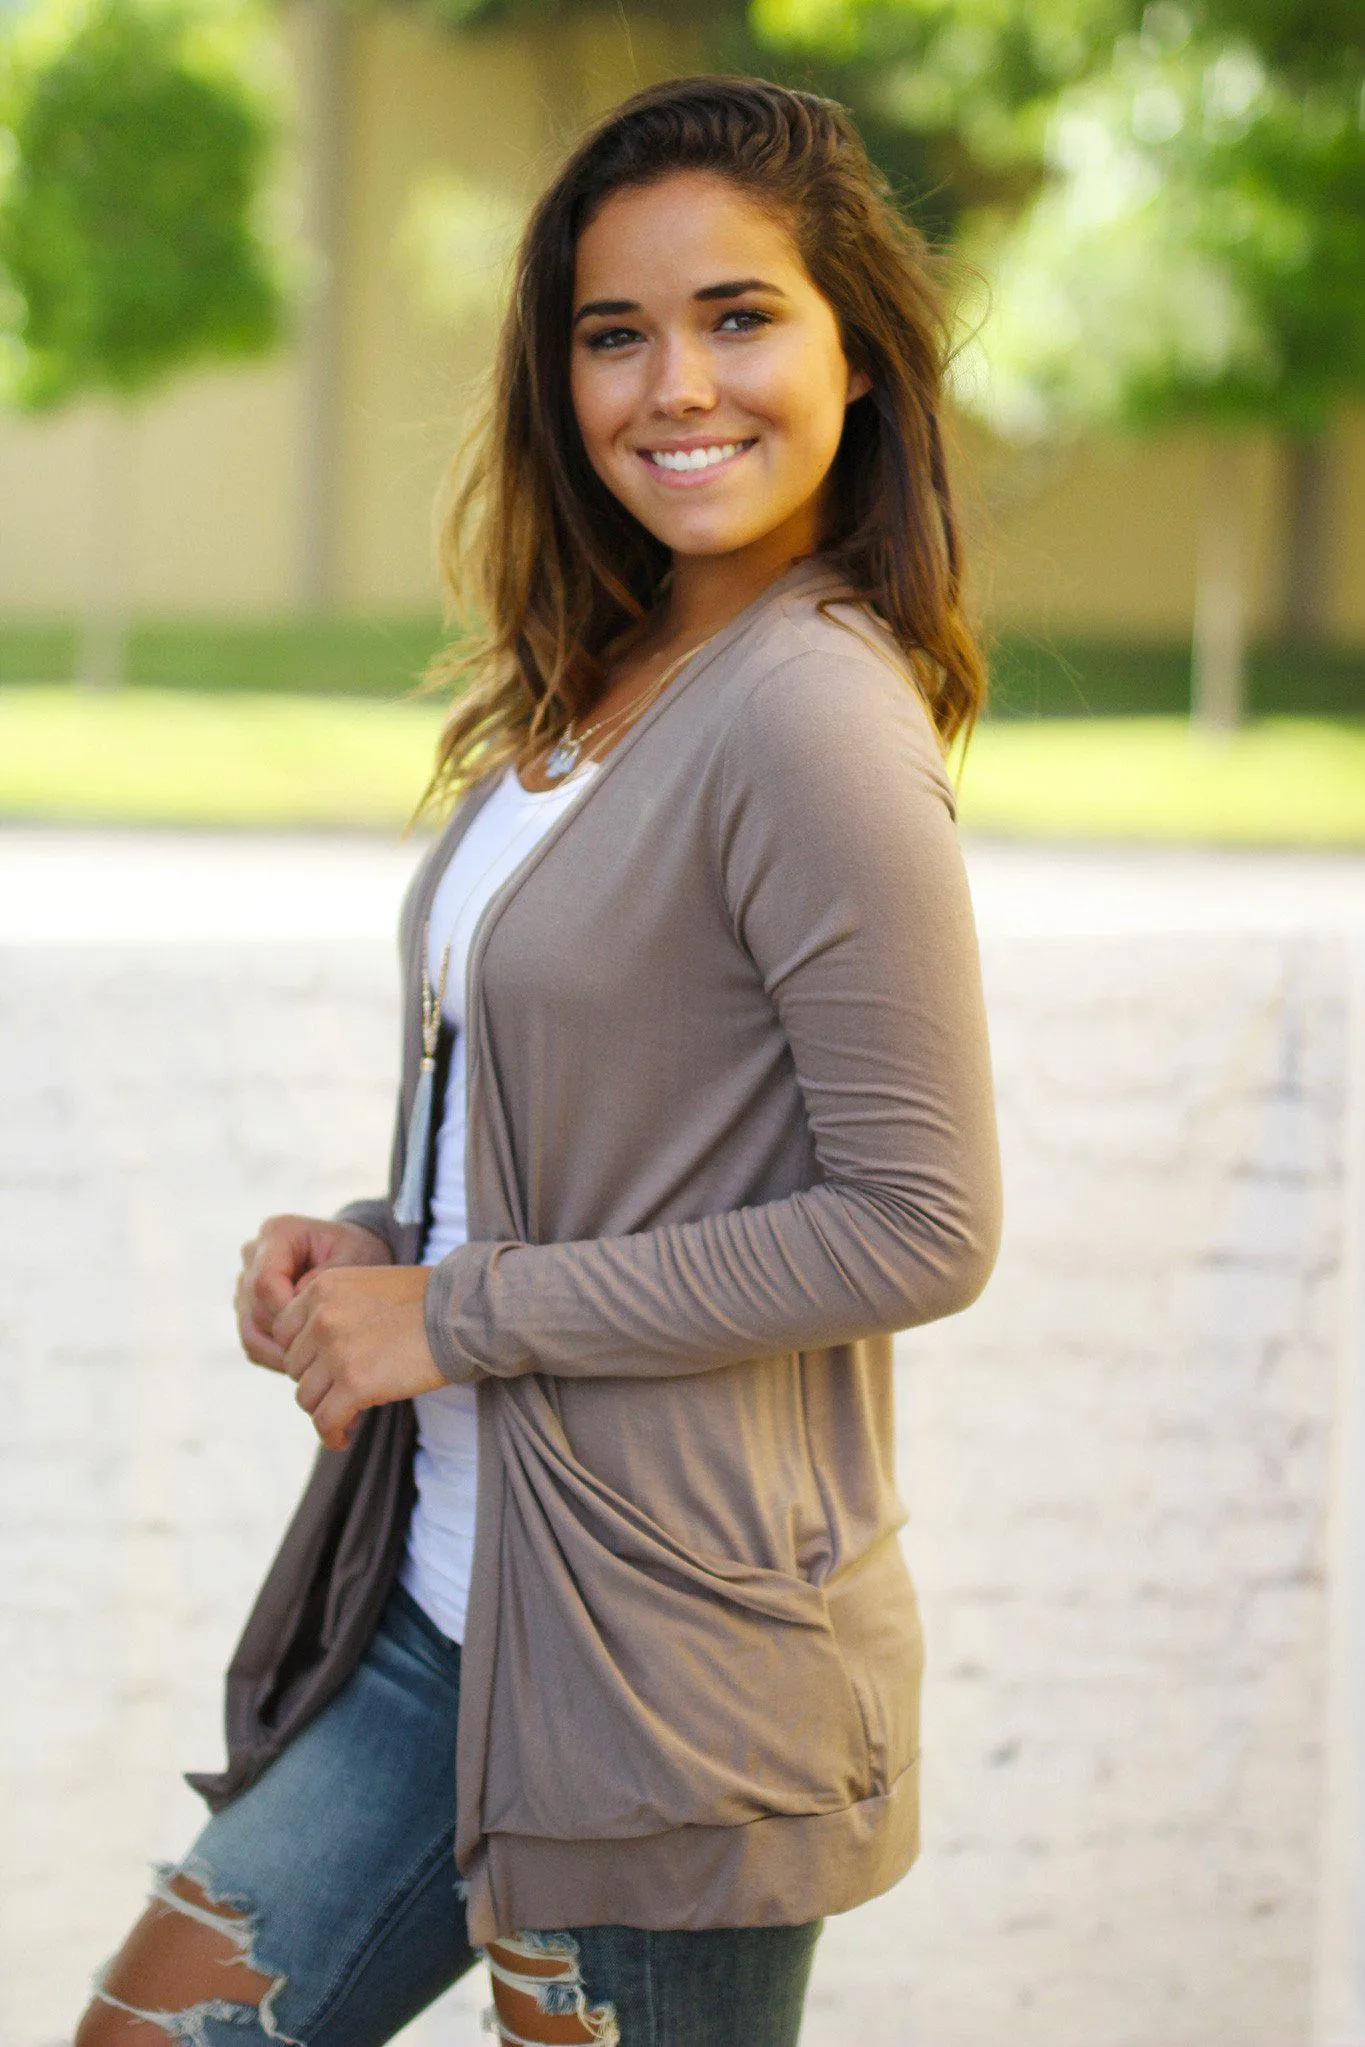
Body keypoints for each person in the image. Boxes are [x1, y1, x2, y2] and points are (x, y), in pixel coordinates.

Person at [76, 73, 1002, 2047]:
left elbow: (918, 1225)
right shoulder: (604, 675)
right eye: (612, 332)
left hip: (662, 1679)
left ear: (856, 353)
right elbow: (578, 1121)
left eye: (738, 315)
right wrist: (366, 1249)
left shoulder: (811, 716)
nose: (674, 384)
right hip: (437, 1616)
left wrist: (459, 1312)